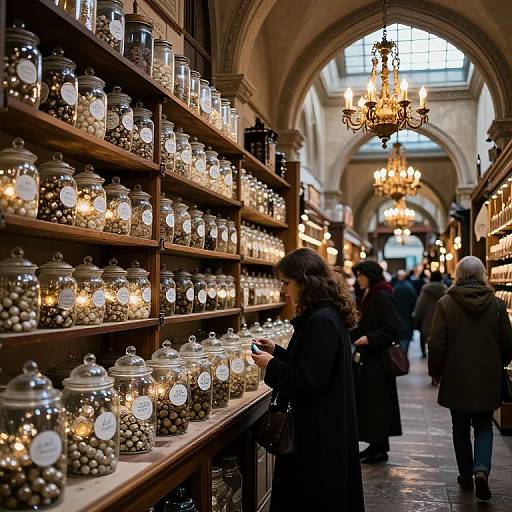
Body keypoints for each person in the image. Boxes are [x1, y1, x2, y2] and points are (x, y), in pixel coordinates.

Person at [251, 248, 365, 511]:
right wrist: (277, 352)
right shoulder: (324, 315)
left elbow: (308, 382)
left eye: (286, 282)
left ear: (304, 280)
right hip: (323, 428)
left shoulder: (321, 321)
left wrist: (271, 365)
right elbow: (313, 363)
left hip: (316, 436)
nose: (283, 290)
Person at [429, 256, 512, 501]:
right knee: (484, 425)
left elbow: (436, 343)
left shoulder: (446, 303)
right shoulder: (496, 305)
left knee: (460, 426)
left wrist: (436, 370)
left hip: (456, 375)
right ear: (483, 275)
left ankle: (465, 474)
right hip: (487, 375)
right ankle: (481, 471)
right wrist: (500, 364)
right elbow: (508, 341)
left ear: (458, 275)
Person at [351, 260, 403, 464]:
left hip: (378, 360)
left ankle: (379, 448)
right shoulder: (367, 293)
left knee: (377, 404)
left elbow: (393, 328)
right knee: (370, 404)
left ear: (370, 275)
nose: (358, 279)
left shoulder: (381, 295)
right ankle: (375, 446)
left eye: (360, 275)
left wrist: (370, 338)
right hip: (367, 357)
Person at [413, 270, 446, 359]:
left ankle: (424, 351)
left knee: (424, 336)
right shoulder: (445, 291)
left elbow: (420, 306)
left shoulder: (426, 290)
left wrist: (417, 317)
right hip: (440, 321)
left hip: (426, 321)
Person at [393, 269, 417, 354]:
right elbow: (414, 302)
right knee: (405, 342)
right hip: (407, 317)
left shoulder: (395, 288)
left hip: (398, 318)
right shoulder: (409, 287)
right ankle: (404, 360)